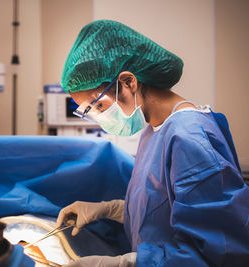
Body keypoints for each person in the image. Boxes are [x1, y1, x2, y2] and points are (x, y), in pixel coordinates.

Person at [56, 20, 249, 267]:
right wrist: (109, 209)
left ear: (128, 82)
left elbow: (217, 253)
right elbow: (163, 213)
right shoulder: (154, 130)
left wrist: (122, 264)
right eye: (88, 112)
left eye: (99, 106)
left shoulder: (189, 137)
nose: (99, 118)